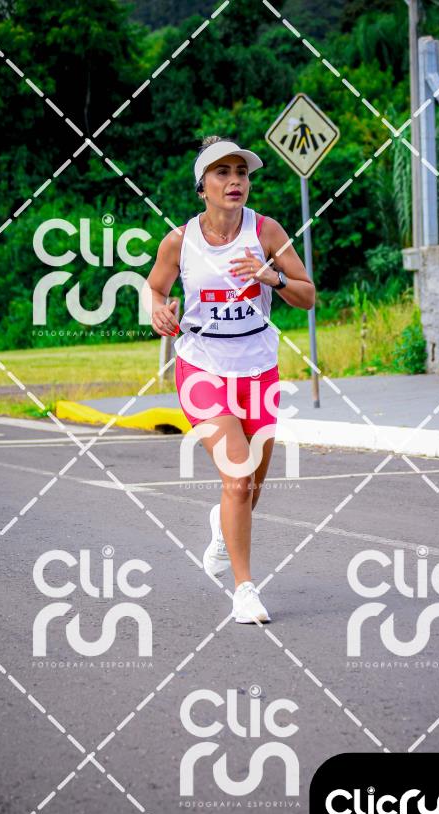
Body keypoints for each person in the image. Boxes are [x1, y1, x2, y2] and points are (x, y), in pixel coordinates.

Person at [147, 135, 315, 623]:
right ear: (202, 186)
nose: (235, 180)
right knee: (238, 480)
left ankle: (222, 529)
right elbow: (154, 289)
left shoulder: (266, 232)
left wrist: (271, 277)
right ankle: (245, 590)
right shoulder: (179, 241)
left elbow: (307, 295)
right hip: (202, 367)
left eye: (241, 172)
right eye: (222, 172)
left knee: (252, 485)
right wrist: (159, 312)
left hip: (258, 368)